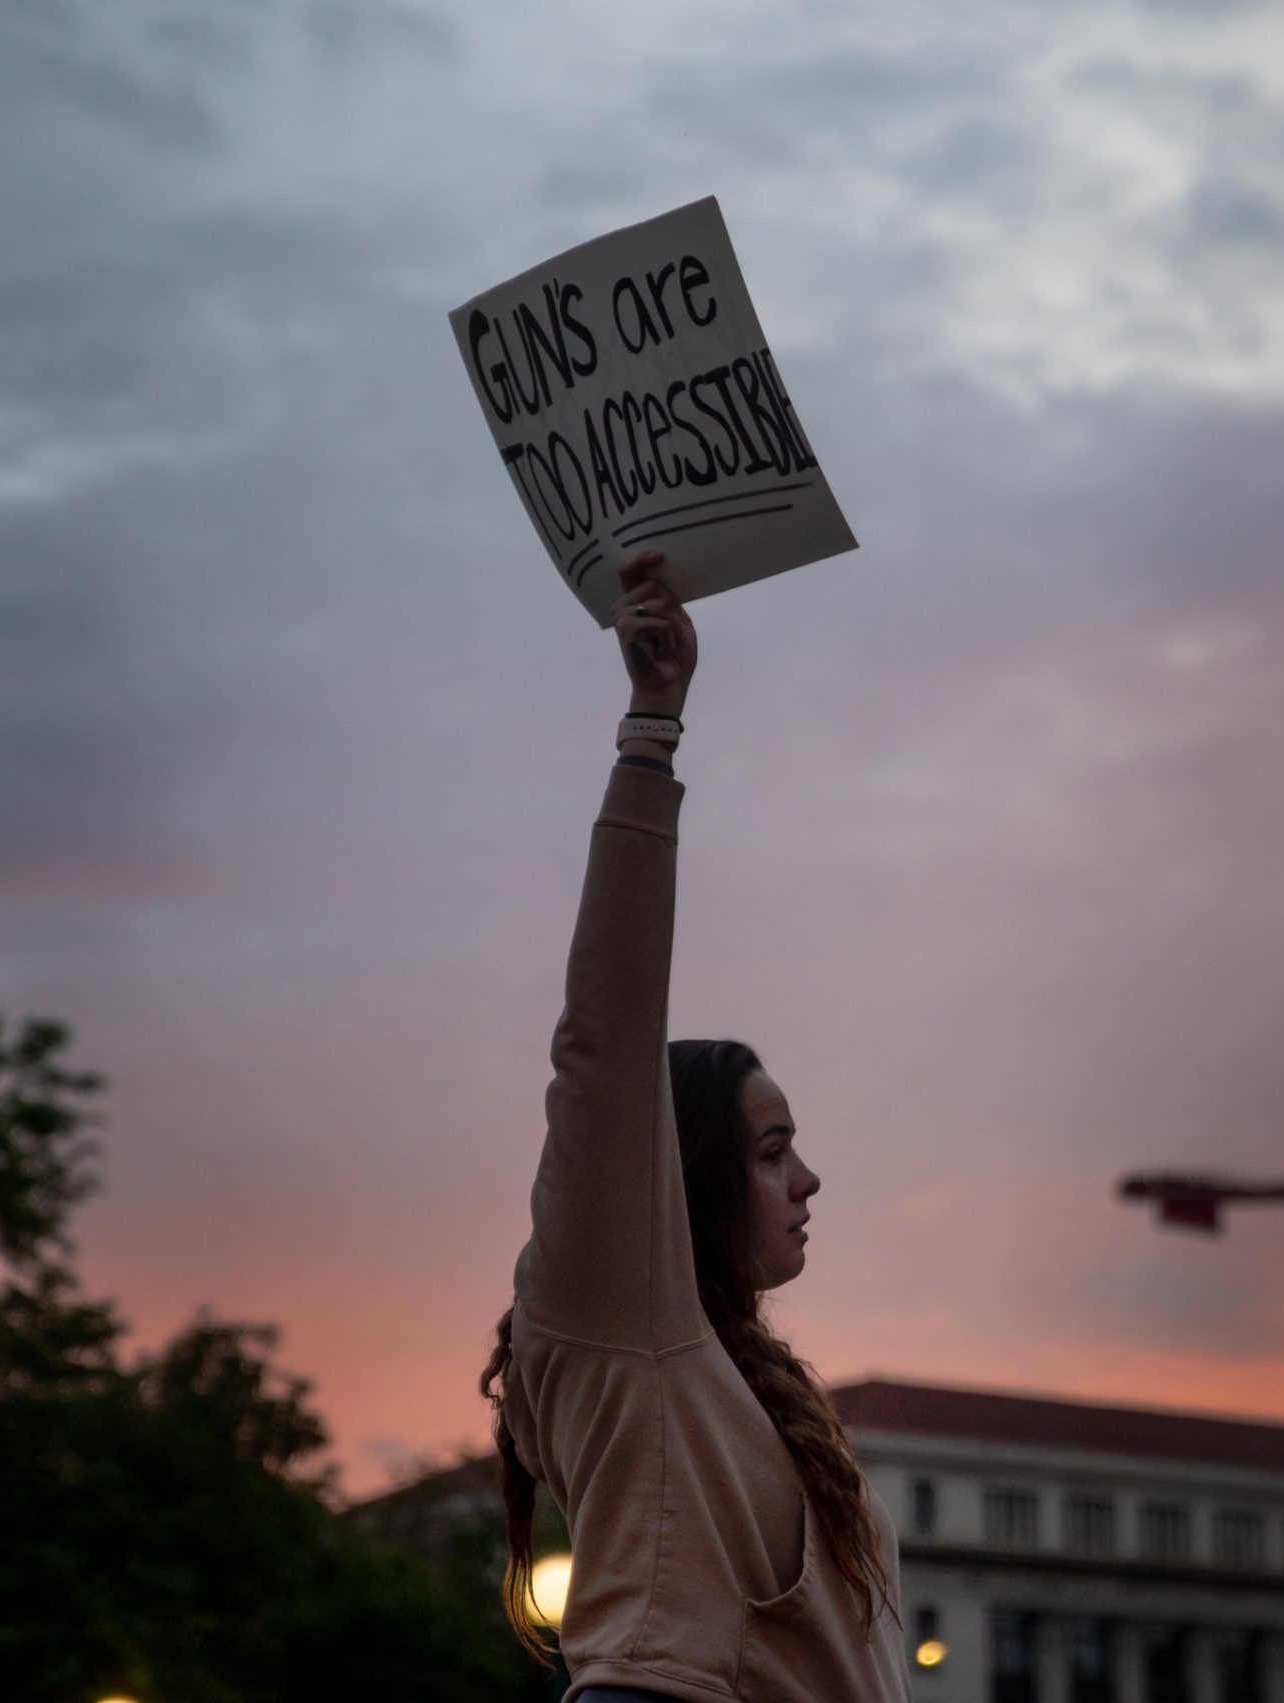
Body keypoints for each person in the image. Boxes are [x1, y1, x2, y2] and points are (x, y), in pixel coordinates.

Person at [478, 550, 911, 1702]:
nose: (810, 1180)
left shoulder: (737, 1380)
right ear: (677, 1178)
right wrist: (650, 730)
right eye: (771, 1153)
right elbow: (605, 1032)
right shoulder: (618, 1314)